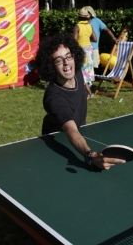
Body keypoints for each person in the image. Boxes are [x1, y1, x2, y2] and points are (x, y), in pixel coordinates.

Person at [36, 34, 125, 170]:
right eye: (59, 60)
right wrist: (90, 155)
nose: (66, 63)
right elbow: (71, 130)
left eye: (68, 56)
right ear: (51, 66)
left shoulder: (76, 71)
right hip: (57, 141)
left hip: (79, 132)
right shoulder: (54, 98)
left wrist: (85, 86)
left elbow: (79, 77)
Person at [85, 6, 118, 70]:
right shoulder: (82, 22)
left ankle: (90, 79)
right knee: (85, 66)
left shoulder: (97, 21)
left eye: (87, 13)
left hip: (94, 48)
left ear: (91, 13)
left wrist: (114, 38)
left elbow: (107, 30)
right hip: (84, 47)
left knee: (94, 65)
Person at [73, 7, 97, 87]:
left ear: (79, 17)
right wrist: (86, 38)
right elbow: (95, 39)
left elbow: (74, 41)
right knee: (88, 68)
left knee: (80, 68)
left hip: (81, 49)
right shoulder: (90, 26)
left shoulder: (77, 26)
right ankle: (88, 84)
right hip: (89, 49)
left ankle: (84, 87)